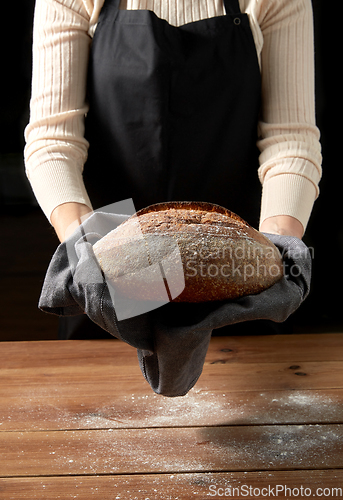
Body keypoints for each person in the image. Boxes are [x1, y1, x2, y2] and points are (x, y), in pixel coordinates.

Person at [24, 0, 322, 341]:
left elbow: (291, 139)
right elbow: (53, 138)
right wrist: (87, 250)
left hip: (237, 276)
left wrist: (273, 248)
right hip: (109, 282)